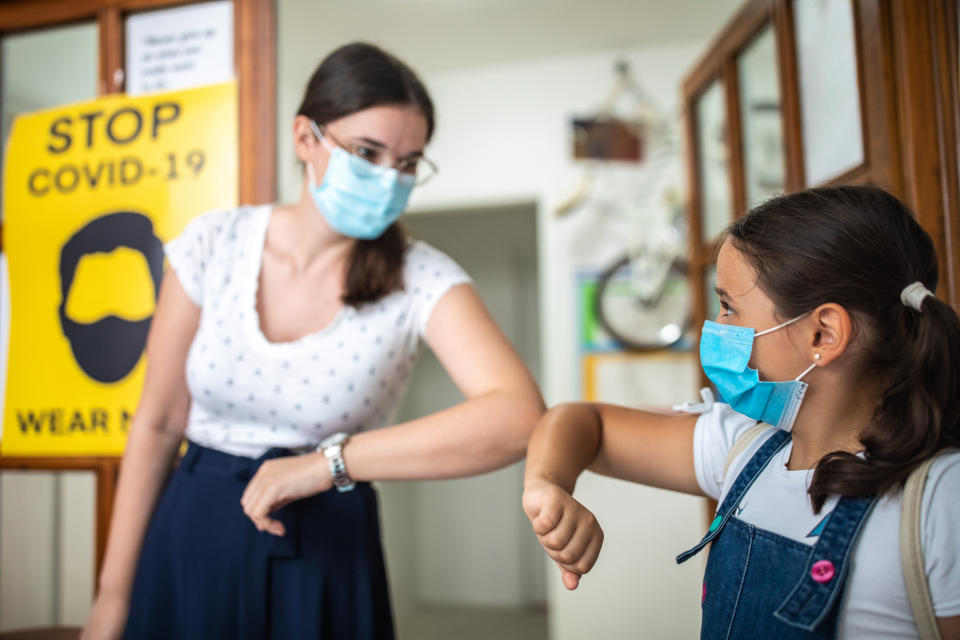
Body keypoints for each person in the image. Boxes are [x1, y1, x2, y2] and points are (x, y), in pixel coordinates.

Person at [82, 42, 544, 640]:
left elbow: (517, 415)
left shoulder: (421, 277)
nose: (388, 178)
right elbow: (157, 423)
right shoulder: (213, 244)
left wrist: (329, 464)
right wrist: (112, 597)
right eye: (366, 152)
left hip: (329, 543)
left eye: (407, 162)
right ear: (306, 138)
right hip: (194, 531)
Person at [522, 186, 960, 639]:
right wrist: (546, 485)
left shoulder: (940, 498)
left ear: (823, 335)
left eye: (729, 307)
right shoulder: (745, 448)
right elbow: (580, 422)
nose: (715, 326)